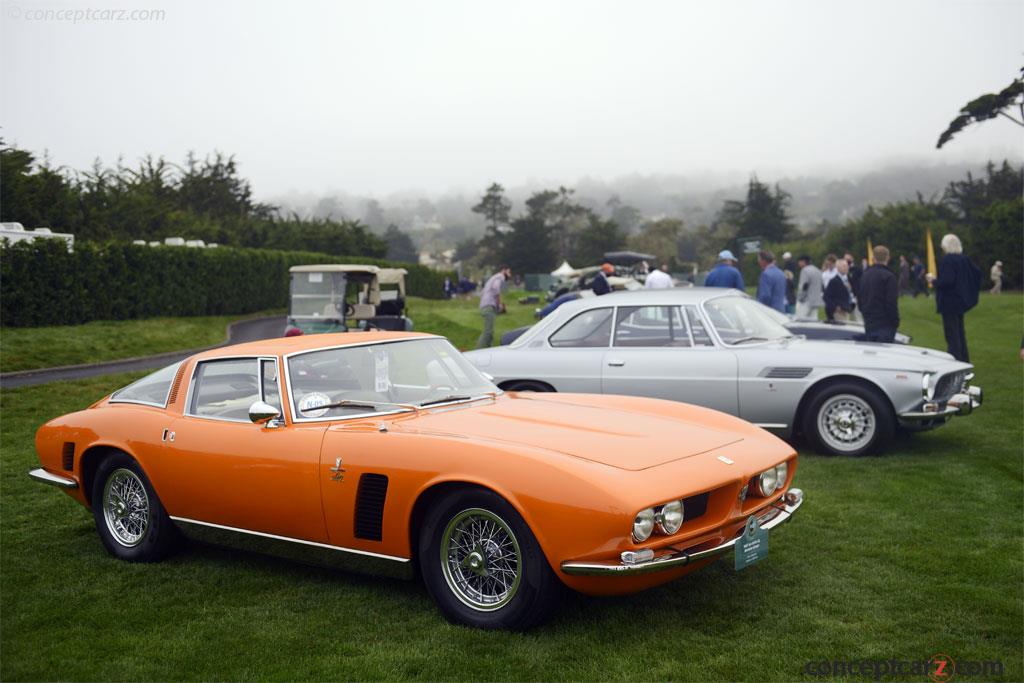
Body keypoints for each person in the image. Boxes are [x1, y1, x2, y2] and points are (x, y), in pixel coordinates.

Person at [928, 234, 981, 362]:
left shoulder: (948, 260)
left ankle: (956, 360)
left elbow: (947, 281)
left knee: (952, 335)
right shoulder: (964, 260)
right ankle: (964, 359)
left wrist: (933, 281)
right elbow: (978, 273)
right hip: (960, 301)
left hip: (949, 302)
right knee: (960, 333)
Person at [857, 245, 900, 342]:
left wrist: (865, 313)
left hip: (869, 321)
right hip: (885, 323)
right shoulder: (889, 277)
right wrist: (895, 321)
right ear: (888, 258)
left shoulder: (865, 275)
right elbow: (891, 303)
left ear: (873, 258)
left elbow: (860, 298)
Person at [475, 265, 511, 349]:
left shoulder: (493, 278)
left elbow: (482, 292)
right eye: (509, 272)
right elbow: (496, 290)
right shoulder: (499, 278)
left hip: (485, 305)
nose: (510, 275)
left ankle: (489, 349)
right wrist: (499, 305)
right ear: (503, 270)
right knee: (488, 331)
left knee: (490, 331)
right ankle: (477, 350)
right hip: (488, 306)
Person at [795, 255, 823, 320]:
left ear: (803, 262)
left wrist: (800, 298)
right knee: (813, 322)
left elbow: (804, 286)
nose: (798, 263)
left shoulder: (805, 270)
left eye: (799, 262)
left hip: (806, 301)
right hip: (816, 300)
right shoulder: (817, 270)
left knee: (800, 320)